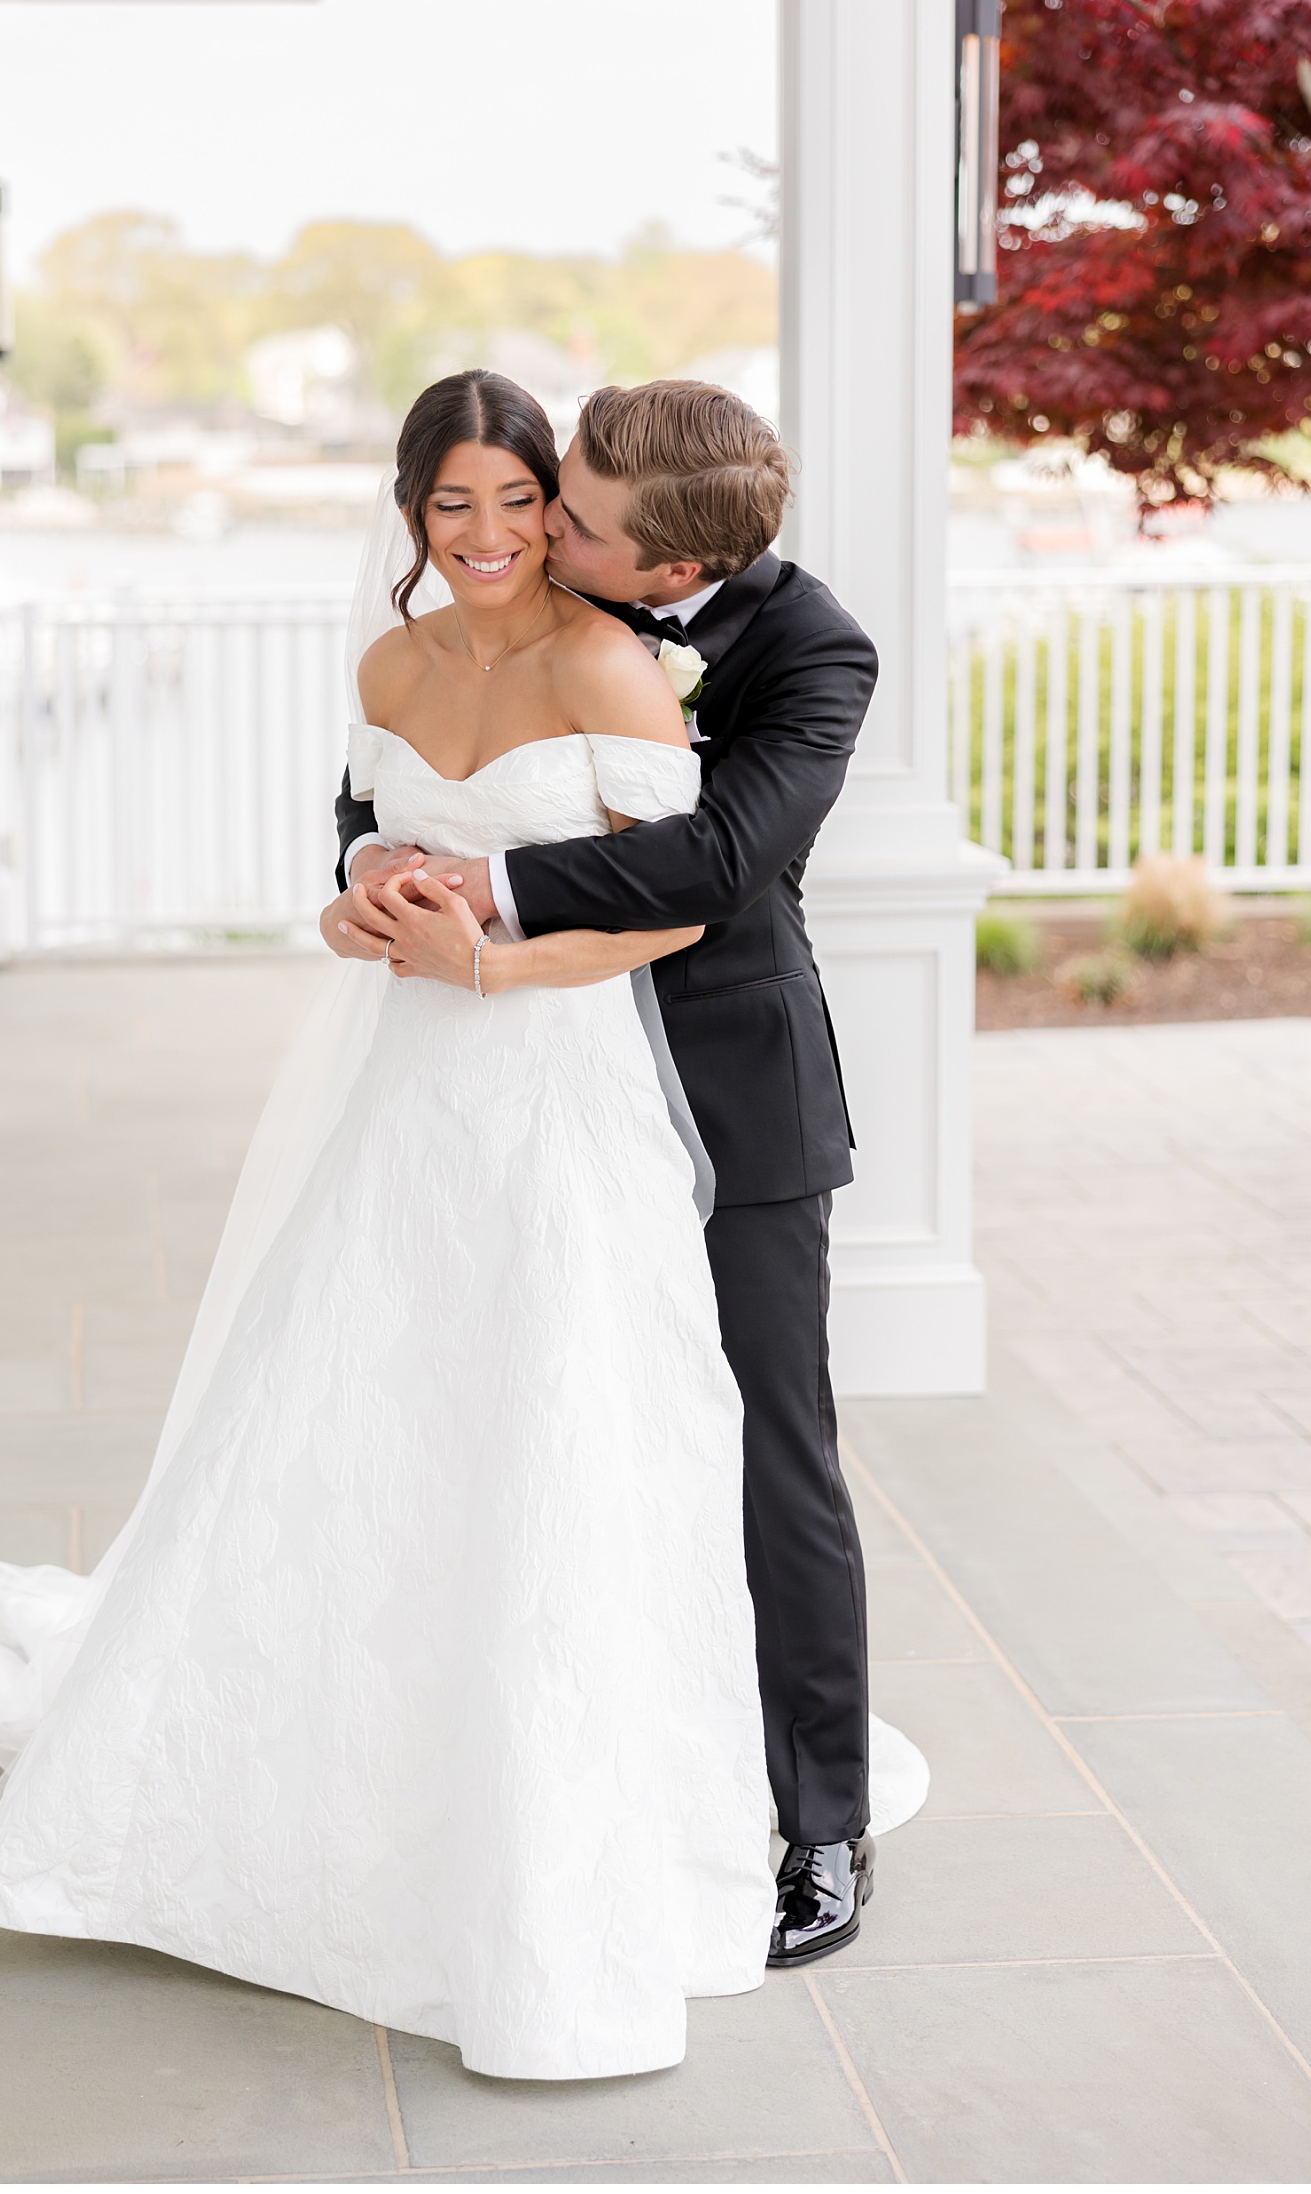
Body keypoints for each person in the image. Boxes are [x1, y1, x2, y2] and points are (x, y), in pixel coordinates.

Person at [0, 371, 784, 2083]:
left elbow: (669, 911)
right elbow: (357, 853)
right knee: (353, 1414)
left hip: (556, 1094)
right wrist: (360, 905)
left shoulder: (611, 665)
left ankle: (533, 1842)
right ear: (412, 513)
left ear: (562, 508)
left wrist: (497, 961)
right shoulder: (385, 668)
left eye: (524, 503)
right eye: (458, 506)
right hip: (410, 1090)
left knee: (546, 1426)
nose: (495, 537)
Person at [335, 377, 906, 1969]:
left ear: (664, 575)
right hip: (508, 1097)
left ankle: (822, 1823)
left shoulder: (813, 650)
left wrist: (483, 887)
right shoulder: (554, 570)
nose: (539, 529)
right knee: (511, 1421)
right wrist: (378, 866)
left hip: (729, 1091)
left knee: (771, 1445)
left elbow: (723, 864)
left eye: (569, 518)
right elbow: (369, 792)